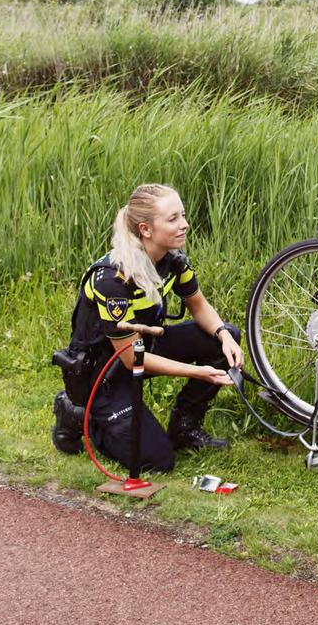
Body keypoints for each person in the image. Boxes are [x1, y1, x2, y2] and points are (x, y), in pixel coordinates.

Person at [51, 183, 243, 473]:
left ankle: (185, 428)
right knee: (157, 461)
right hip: (106, 372)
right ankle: (78, 413)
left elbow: (199, 305)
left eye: (183, 215)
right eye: (173, 219)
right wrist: (198, 372)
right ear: (146, 229)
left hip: (143, 348)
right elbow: (129, 359)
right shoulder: (112, 280)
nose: (185, 225)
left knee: (222, 338)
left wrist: (225, 336)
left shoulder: (172, 261)